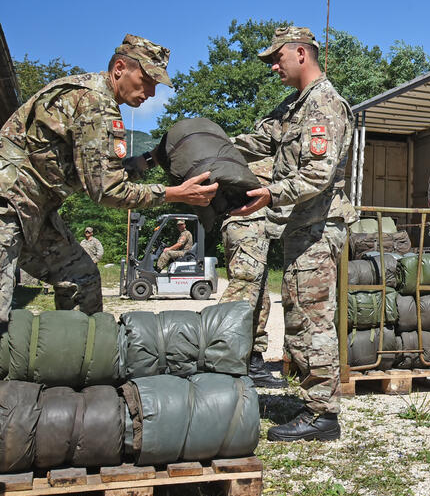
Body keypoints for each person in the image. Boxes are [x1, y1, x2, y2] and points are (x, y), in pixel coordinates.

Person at [0, 34, 217, 323]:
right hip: (8, 206)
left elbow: (98, 171)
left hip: (32, 209)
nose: (152, 92)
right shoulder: (95, 103)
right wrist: (176, 194)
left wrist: (151, 159)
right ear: (119, 68)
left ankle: (79, 359)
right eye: (148, 80)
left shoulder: (91, 95)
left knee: (82, 279)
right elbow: (107, 190)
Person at [231, 26, 356, 442]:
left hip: (319, 225)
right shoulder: (293, 107)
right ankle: (315, 403)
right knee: (300, 313)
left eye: (276, 57)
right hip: (301, 226)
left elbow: (317, 175)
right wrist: (201, 147)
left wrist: (268, 193)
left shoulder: (325, 104)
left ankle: (323, 414)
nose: (272, 66)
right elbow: (254, 141)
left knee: (311, 317)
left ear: (301, 53)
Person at [219, 157, 285, 389]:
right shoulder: (271, 158)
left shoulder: (249, 158)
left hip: (251, 225)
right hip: (249, 224)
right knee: (244, 294)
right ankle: (222, 361)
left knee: (261, 298)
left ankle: (252, 362)